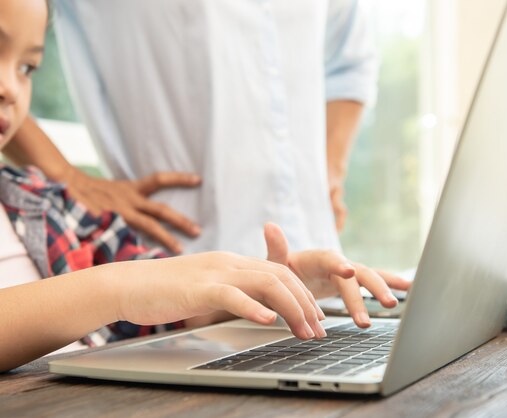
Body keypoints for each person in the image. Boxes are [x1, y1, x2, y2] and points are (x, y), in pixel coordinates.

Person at [0, 0, 410, 372]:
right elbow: (131, 293)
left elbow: (156, 314)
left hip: (248, 324)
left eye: (27, 68)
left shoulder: (43, 205)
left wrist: (255, 285)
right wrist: (120, 285)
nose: (11, 89)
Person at [5, 0, 377, 258]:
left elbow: (349, 61)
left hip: (318, 261)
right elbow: (14, 34)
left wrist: (329, 172)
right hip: (176, 268)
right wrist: (66, 176)